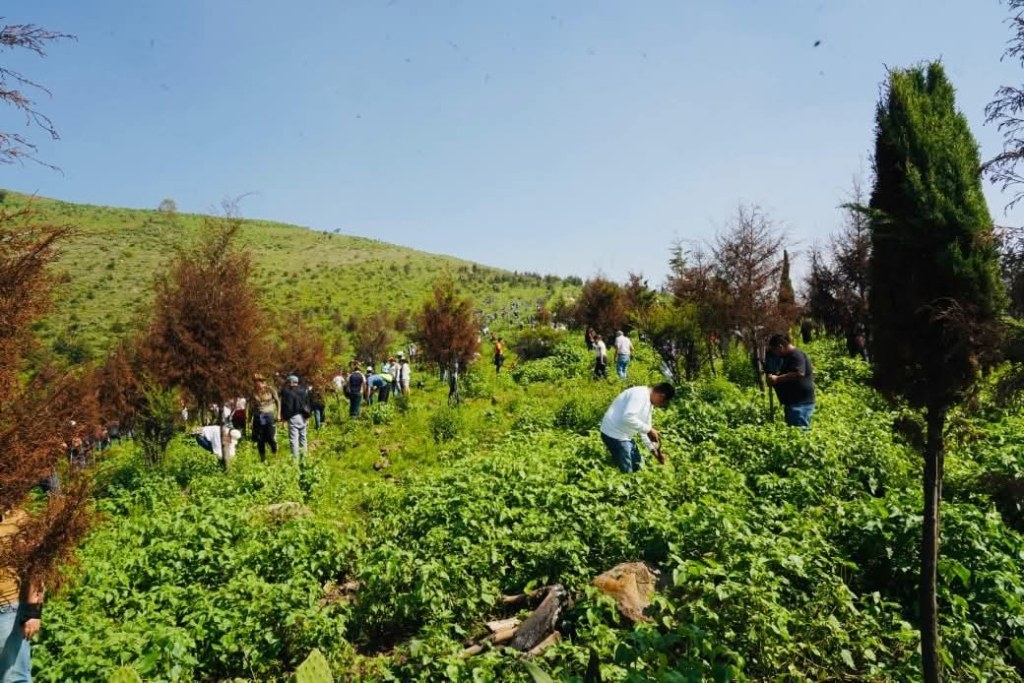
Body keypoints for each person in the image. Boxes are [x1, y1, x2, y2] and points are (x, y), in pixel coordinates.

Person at [0, 508, 45, 681]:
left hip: (7, 611)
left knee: (13, 677)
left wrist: (33, 610)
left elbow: (37, 565)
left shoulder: (18, 518)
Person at [599, 382, 675, 473]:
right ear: (661, 396)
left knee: (638, 465)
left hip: (625, 435)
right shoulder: (640, 395)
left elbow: (644, 429)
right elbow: (627, 418)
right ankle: (625, 484)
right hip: (614, 434)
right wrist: (649, 430)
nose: (659, 405)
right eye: (661, 403)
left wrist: (654, 450)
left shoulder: (649, 402)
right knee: (627, 471)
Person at [766, 334, 816, 429]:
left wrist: (777, 379)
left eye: (774, 350)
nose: (775, 354)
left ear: (780, 347)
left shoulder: (796, 355)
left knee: (799, 435)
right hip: (795, 403)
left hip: (800, 404)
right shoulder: (788, 357)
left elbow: (799, 373)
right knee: (795, 434)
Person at [279, 375, 310, 463]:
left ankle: (295, 461)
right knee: (303, 438)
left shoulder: (287, 392)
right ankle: (304, 459)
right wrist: (307, 417)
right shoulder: (304, 390)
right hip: (303, 416)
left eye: (288, 382)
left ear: (291, 382)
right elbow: (308, 404)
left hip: (293, 417)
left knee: (294, 439)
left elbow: (287, 407)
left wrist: (284, 418)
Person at [250, 374, 280, 462]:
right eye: (255, 382)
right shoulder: (253, 392)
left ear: (263, 382)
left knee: (270, 437)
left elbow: (278, 401)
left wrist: (278, 414)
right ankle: (262, 459)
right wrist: (249, 420)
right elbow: (252, 407)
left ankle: (275, 454)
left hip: (269, 414)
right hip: (258, 416)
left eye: (258, 382)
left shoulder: (270, 390)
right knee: (260, 439)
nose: (257, 384)